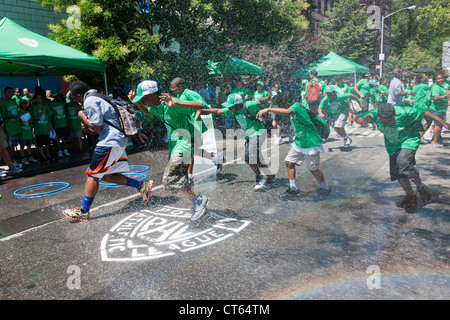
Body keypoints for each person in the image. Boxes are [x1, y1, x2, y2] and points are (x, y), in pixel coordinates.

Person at [62, 81, 154, 222]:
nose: (76, 101)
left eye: (74, 98)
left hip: (109, 142)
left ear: (79, 95)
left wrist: (81, 116)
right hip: (117, 140)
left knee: (92, 175)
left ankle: (83, 211)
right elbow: (98, 125)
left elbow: (96, 127)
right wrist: (87, 127)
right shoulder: (98, 96)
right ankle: (142, 186)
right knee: (107, 176)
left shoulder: (89, 100)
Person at [133, 80, 209, 221]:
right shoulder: (157, 107)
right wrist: (137, 103)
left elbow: (200, 105)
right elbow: (148, 113)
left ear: (151, 95)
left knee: (170, 179)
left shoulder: (172, 104)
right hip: (175, 146)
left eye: (143, 99)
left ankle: (198, 199)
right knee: (179, 179)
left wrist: (177, 103)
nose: (143, 102)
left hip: (184, 143)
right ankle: (196, 202)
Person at [355, 103, 450, 213]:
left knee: (403, 162)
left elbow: (425, 112)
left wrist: (444, 123)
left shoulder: (406, 112)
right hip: (392, 145)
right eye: (384, 122)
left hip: (409, 140)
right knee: (398, 174)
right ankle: (410, 196)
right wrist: (362, 122)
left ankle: (421, 187)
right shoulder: (375, 114)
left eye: (390, 121)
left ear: (395, 115)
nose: (388, 124)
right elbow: (358, 118)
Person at [256, 91, 332, 201]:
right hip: (300, 142)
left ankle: (325, 188)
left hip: (310, 142)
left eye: (280, 104)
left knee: (313, 169)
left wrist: (268, 109)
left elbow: (287, 112)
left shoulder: (296, 107)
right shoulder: (293, 108)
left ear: (286, 102)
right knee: (289, 162)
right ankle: (293, 189)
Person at [200, 93, 277, 190]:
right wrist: (202, 110)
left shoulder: (248, 105)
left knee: (249, 156)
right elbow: (218, 110)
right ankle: (270, 177)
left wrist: (269, 98)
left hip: (259, 132)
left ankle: (259, 177)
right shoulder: (232, 111)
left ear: (237, 104)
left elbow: (260, 101)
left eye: (231, 106)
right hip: (250, 135)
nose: (229, 108)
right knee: (253, 159)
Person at [170, 77, 223, 180]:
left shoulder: (189, 93)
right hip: (187, 126)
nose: (172, 89)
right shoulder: (180, 95)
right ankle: (216, 158)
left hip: (194, 125)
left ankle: (189, 176)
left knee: (190, 150)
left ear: (180, 86)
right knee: (194, 150)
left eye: (173, 87)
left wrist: (194, 119)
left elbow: (202, 105)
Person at [0, 87, 22, 169]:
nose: (11, 93)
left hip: (15, 127)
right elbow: (3, 117)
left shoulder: (14, 102)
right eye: (9, 92)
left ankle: (12, 160)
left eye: (11, 92)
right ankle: (9, 162)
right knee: (7, 147)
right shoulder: (3, 104)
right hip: (8, 128)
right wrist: (11, 116)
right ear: (5, 93)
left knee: (13, 146)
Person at [30, 93, 54, 163]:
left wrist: (51, 126)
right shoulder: (34, 107)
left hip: (46, 127)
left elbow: (49, 116)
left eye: (40, 98)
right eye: (38, 98)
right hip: (39, 128)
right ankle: (42, 155)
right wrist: (43, 111)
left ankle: (47, 153)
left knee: (47, 142)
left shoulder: (45, 106)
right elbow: (36, 117)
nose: (39, 100)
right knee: (40, 143)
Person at [429, 73, 450, 148]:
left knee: (439, 125)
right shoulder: (436, 87)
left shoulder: (442, 86)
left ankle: (435, 140)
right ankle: (435, 142)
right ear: (435, 80)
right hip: (437, 109)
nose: (441, 80)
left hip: (442, 108)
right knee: (438, 125)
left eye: (442, 78)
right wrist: (446, 95)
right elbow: (435, 98)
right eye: (438, 79)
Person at [49, 92, 71, 157]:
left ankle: (65, 149)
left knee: (64, 137)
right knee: (58, 138)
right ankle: (59, 150)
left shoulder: (62, 103)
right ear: (55, 97)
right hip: (56, 123)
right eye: (58, 96)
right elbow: (50, 115)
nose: (59, 97)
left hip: (63, 122)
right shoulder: (51, 104)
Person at [18, 100, 38, 165]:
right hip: (23, 132)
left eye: (26, 104)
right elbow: (21, 122)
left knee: (29, 145)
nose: (25, 105)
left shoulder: (28, 112)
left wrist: (28, 115)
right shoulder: (19, 113)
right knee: (22, 146)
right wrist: (23, 116)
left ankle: (30, 156)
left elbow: (30, 122)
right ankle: (23, 158)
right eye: (23, 104)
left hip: (28, 131)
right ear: (21, 105)